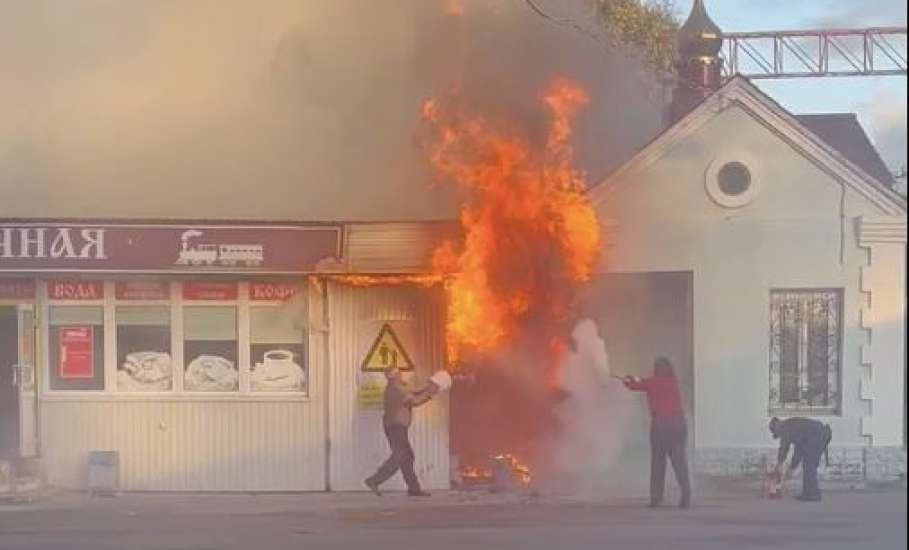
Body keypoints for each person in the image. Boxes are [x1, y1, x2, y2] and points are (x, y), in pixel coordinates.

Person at [622, 357, 691, 508]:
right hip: (679, 423)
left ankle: (656, 498)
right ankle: (686, 493)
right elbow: (643, 381)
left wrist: (627, 380)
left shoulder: (652, 382)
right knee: (680, 461)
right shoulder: (672, 381)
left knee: (658, 462)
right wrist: (635, 378)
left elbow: (634, 385)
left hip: (662, 425)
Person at [365, 366, 433, 497]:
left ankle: (413, 489)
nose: (401, 375)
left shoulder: (398, 388)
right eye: (397, 373)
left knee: (407, 456)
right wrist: (430, 393)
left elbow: (414, 390)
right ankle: (374, 480)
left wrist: (428, 386)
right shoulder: (396, 389)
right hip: (396, 427)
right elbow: (415, 401)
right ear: (392, 376)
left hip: (395, 426)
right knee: (400, 456)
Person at [769, 416, 833, 502]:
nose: (779, 436)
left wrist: (780, 463)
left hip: (817, 435)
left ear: (776, 427)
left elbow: (784, 448)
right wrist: (792, 467)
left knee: (809, 465)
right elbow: (798, 450)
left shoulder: (785, 427)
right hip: (818, 434)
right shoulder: (793, 427)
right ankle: (808, 493)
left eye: (777, 434)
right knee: (808, 464)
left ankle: (813, 495)